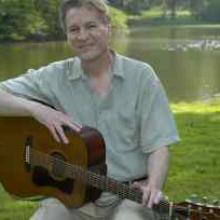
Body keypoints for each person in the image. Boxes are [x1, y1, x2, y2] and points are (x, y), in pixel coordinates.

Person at [0, 0, 179, 219]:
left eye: (91, 26)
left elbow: (159, 145)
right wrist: (36, 109)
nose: (82, 36)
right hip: (72, 196)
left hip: (130, 196)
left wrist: (153, 185)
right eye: (74, 29)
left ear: (108, 28)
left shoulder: (142, 76)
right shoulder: (53, 76)